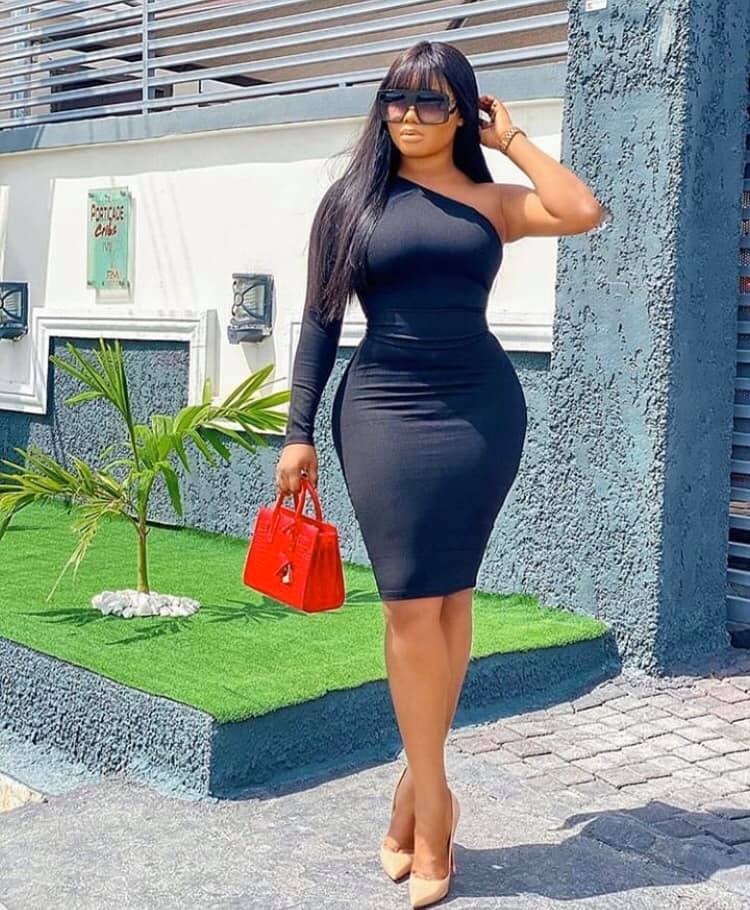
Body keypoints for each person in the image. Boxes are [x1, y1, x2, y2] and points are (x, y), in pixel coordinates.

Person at [275, 40, 602, 909]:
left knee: (452, 599)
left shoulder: (490, 202)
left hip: (479, 412)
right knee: (409, 604)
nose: (410, 116)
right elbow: (318, 320)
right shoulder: (351, 201)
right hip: (383, 409)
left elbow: (581, 210)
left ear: (462, 111)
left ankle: (416, 799)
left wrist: (513, 139)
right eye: (398, 99)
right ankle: (434, 805)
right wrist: (296, 432)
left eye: (431, 102)